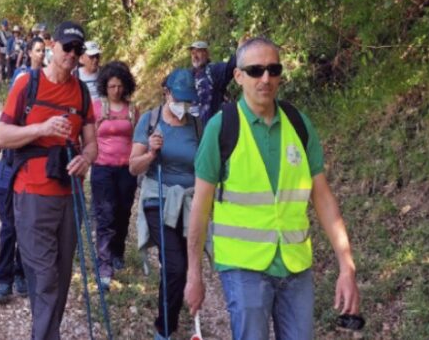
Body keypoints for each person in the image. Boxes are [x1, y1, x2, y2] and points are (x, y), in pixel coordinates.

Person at [184, 36, 360, 340]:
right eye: (255, 70)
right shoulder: (221, 128)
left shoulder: (299, 125)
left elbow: (324, 199)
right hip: (242, 266)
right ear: (238, 76)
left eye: (273, 69)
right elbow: (200, 208)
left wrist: (347, 266)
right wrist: (193, 273)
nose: (265, 78)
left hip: (295, 267)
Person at [0, 21, 96, 340]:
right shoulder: (28, 84)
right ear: (53, 46)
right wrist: (41, 129)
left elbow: (92, 142)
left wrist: (86, 158)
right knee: (45, 276)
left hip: (70, 195)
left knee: (61, 277)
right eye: (67, 47)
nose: (71, 54)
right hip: (32, 194)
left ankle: (44, 331)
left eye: (77, 50)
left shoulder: (81, 92)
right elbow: (0, 136)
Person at [129, 69, 200, 340]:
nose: (184, 106)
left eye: (188, 101)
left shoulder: (197, 125)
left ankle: (168, 317)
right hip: (157, 198)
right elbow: (133, 167)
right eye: (180, 99)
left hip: (188, 201)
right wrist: (151, 152)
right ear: (167, 93)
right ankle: (164, 330)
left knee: (177, 265)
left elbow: (205, 164)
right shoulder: (150, 121)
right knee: (175, 265)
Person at [0, 39, 46, 304]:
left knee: (24, 226)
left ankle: (20, 273)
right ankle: (4, 279)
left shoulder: (39, 112)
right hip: (7, 172)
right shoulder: (8, 112)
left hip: (26, 175)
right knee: (9, 227)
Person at [90, 61, 139, 290]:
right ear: (105, 86)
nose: (116, 90)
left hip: (126, 168)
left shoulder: (132, 110)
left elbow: (139, 138)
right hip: (102, 167)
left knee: (122, 212)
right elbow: (88, 136)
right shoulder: (96, 107)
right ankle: (104, 264)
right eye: (112, 86)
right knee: (105, 216)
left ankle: (117, 251)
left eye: (120, 86)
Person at [189, 40, 237, 126]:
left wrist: (240, 53)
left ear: (206, 54)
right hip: (200, 130)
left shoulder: (214, 69)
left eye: (198, 52)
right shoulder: (189, 76)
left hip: (221, 123)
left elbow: (229, 68)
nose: (195, 56)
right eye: (193, 53)